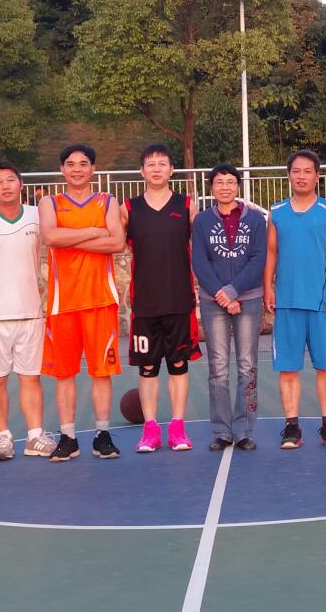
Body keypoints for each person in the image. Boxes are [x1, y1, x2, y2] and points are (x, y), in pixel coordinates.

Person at [39, 144, 126, 461]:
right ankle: (68, 437)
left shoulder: (107, 201)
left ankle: (102, 434)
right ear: (62, 169)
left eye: (83, 163)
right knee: (65, 374)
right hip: (63, 302)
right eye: (71, 164)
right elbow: (50, 237)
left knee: (101, 373)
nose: (77, 169)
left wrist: (70, 237)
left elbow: (116, 242)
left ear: (93, 169)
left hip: (100, 298)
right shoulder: (50, 202)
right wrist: (92, 231)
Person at [264, 150, 326, 450]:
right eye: (296, 171)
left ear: (317, 176)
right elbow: (271, 252)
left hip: (322, 302)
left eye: (307, 171)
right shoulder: (277, 211)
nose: (301, 176)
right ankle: (291, 426)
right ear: (289, 175)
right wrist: (268, 286)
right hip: (287, 301)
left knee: (325, 366)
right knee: (288, 368)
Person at [0, 160, 56, 460]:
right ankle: (3, 437)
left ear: (21, 184)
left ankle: (35, 436)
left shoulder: (37, 216)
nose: (5, 186)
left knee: (30, 378)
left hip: (30, 312)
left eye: (11, 180)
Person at [123, 144, 199, 453]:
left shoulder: (187, 205)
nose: (156, 168)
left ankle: (177, 428)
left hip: (179, 300)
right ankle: (151, 429)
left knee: (179, 365)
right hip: (145, 303)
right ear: (142, 171)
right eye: (150, 164)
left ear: (171, 170)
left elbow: (201, 249)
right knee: (147, 369)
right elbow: (114, 243)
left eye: (162, 163)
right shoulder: (128, 208)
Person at [192, 164, 267, 452]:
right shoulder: (202, 221)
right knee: (218, 368)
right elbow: (200, 261)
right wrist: (222, 295)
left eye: (230, 182)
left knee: (247, 366)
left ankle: (244, 430)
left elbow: (258, 259)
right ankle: (222, 431)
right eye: (219, 182)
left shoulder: (256, 219)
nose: (225, 187)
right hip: (213, 301)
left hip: (249, 298)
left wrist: (234, 291)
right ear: (211, 187)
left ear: (238, 186)